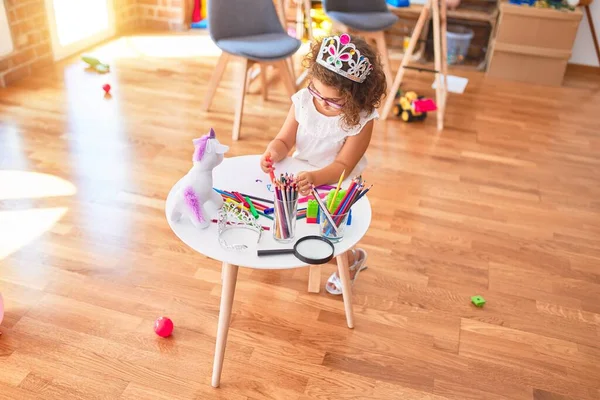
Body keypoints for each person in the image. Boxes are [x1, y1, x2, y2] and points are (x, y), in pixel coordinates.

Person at [260, 33, 387, 295]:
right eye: (316, 92)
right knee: (282, 224)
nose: (321, 102)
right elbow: (285, 140)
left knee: (323, 238)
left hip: (336, 184)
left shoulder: (361, 120)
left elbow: (343, 165)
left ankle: (351, 260)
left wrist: (316, 178)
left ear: (355, 97)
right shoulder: (304, 101)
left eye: (332, 101)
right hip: (300, 174)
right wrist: (273, 152)